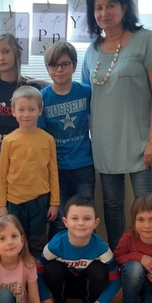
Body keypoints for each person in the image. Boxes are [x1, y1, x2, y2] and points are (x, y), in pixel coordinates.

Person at [81, 0, 152, 251]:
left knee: (147, 208)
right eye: (98, 8)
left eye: (110, 5)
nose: (104, 12)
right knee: (112, 206)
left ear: (124, 8)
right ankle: (121, 259)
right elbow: (84, 95)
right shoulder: (92, 51)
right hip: (105, 144)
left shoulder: (146, 40)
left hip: (141, 143)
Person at [0, 85, 59, 259]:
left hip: (40, 201)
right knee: (16, 242)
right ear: (13, 111)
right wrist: (1, 205)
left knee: (38, 242)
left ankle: (36, 273)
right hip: (14, 203)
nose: (26, 114)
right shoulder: (9, 141)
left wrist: (54, 202)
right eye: (21, 109)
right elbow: (2, 175)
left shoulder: (48, 140)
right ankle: (18, 273)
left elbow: (53, 173)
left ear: (40, 110)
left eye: (31, 109)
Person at [37, 194, 120, 303]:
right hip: (64, 286)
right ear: (65, 222)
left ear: (96, 223)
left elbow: (116, 281)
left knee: (99, 270)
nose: (80, 223)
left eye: (87, 218)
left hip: (88, 287)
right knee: (51, 268)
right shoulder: (55, 245)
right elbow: (37, 272)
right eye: (75, 218)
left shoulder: (102, 248)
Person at [38, 41, 94, 238]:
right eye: (54, 65)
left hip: (84, 166)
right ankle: (59, 257)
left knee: (84, 219)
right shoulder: (42, 98)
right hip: (57, 170)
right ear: (48, 69)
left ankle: (86, 255)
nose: (59, 69)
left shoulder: (86, 92)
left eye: (65, 64)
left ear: (74, 66)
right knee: (59, 221)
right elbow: (40, 137)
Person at [0, 33, 39, 221]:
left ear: (17, 53)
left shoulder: (28, 88)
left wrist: (46, 84)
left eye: (6, 51)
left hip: (21, 149)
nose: (1, 58)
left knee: (20, 203)